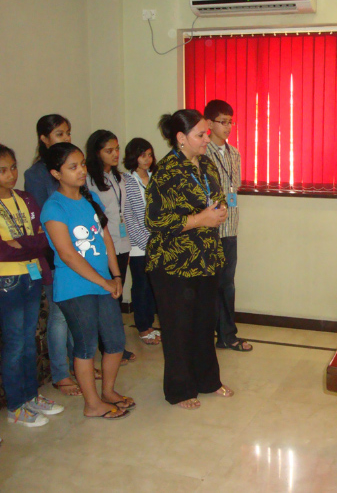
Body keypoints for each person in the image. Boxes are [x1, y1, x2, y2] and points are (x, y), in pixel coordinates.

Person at [145, 109, 234, 409]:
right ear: (181, 138)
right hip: (174, 262)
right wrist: (199, 220)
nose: (207, 139)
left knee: (204, 324)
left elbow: (214, 198)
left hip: (206, 257)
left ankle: (208, 381)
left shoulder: (206, 164)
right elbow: (154, 220)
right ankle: (180, 390)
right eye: (200, 135)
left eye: (206, 133)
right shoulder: (166, 171)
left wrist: (218, 212)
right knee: (178, 328)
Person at [41, 142, 133, 420]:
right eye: (73, 167)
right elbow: (68, 255)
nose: (81, 170)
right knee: (85, 346)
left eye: (82, 164)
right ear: (56, 173)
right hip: (75, 288)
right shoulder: (54, 207)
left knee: (115, 341)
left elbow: (106, 240)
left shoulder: (89, 197)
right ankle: (92, 404)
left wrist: (116, 276)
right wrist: (105, 283)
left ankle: (108, 392)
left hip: (103, 283)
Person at [0, 144, 64, 426]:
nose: (11, 174)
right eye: (3, 170)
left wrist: (20, 244)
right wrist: (27, 244)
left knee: (29, 342)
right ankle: (16, 406)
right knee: (15, 344)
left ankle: (30, 396)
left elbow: (44, 237)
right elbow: (2, 250)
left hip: (32, 275)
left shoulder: (25, 198)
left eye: (13, 167)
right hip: (7, 282)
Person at [24, 114, 82, 397]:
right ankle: (61, 373)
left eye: (68, 132)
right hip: (54, 253)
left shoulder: (73, 169)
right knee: (59, 315)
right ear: (44, 139)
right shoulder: (36, 174)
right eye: (59, 134)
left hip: (78, 250)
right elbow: (41, 219)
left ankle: (78, 365)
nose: (66, 138)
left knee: (76, 313)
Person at [203, 99, 251, 352]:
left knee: (227, 283)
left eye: (230, 121)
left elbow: (235, 186)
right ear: (209, 123)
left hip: (230, 228)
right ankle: (216, 334)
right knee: (210, 285)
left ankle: (226, 334)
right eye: (222, 121)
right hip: (209, 229)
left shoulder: (234, 153)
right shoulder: (202, 153)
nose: (228, 126)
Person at [85, 130, 136, 364]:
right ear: (97, 153)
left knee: (117, 294)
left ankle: (114, 345)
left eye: (117, 149)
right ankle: (108, 346)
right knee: (107, 298)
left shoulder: (118, 177)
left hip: (122, 242)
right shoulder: (89, 180)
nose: (115, 154)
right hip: (104, 244)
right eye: (109, 150)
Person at [122, 139, 160, 346]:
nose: (147, 159)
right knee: (141, 287)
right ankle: (143, 326)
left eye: (149, 154)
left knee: (154, 286)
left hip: (159, 242)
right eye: (142, 155)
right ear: (133, 157)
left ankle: (150, 324)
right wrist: (147, 242)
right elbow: (130, 217)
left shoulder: (156, 177)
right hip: (139, 246)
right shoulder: (127, 181)